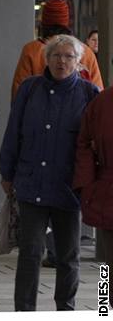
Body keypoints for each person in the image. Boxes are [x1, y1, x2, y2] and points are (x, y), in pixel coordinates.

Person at [0, 34, 99, 311]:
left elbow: (96, 145)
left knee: (69, 255)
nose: (62, 61)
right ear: (47, 58)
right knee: (29, 253)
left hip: (69, 187)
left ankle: (65, 309)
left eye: (69, 56)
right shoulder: (30, 89)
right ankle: (24, 310)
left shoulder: (89, 94)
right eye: (56, 55)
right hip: (32, 183)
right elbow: (13, 133)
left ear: (79, 62)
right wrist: (7, 173)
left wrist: (91, 184)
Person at [11, 0, 103, 100]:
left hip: (39, 113)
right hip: (79, 114)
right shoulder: (85, 52)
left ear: (43, 24)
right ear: (67, 23)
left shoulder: (31, 50)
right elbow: (98, 95)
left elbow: (18, 93)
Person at [73, 86, 113, 306]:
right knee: (107, 265)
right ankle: (104, 308)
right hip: (107, 191)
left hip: (105, 190)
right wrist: (87, 186)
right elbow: (84, 144)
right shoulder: (102, 102)